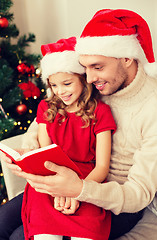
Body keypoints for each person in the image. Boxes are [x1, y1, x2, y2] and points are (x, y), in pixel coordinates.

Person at [1, 8, 157, 240]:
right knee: (3, 220)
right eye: (85, 68)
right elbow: (45, 121)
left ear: (127, 58)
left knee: (20, 235)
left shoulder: (154, 108)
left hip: (113, 197)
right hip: (67, 177)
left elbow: (138, 194)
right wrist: (31, 152)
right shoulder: (95, 85)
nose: (89, 78)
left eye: (97, 67)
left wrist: (78, 191)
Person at [2, 36, 117, 240]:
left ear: (83, 79)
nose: (60, 91)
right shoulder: (46, 108)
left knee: (87, 233)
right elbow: (45, 159)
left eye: (66, 83)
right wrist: (57, 190)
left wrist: (77, 191)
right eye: (54, 85)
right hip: (50, 181)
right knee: (45, 235)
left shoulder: (101, 112)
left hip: (86, 180)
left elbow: (101, 168)